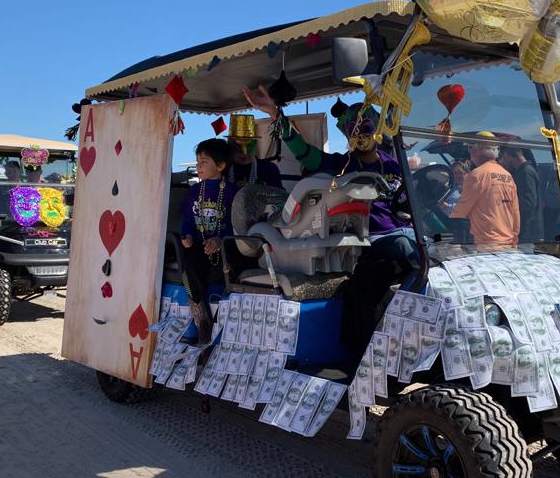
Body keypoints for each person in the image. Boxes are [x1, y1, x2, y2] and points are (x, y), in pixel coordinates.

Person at [243, 87, 415, 262]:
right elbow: (305, 154)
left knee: (434, 245)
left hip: (406, 230)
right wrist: (275, 113)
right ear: (347, 136)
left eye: (366, 128)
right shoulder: (342, 164)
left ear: (376, 130)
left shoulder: (392, 163)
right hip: (372, 238)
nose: (361, 136)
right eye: (353, 131)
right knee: (403, 246)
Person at [180, 138, 241, 343]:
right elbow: (188, 221)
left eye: (204, 162)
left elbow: (239, 225)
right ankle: (202, 320)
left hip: (226, 248)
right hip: (199, 247)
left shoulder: (234, 192)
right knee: (189, 271)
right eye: (197, 162)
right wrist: (187, 236)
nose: (198, 167)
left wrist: (220, 239)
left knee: (228, 270)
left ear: (221, 165)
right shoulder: (194, 192)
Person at [450, 132, 520, 250]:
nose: (470, 151)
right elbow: (515, 211)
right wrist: (514, 239)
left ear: (477, 150)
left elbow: (461, 211)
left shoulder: (476, 175)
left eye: (471, 147)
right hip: (509, 243)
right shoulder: (507, 175)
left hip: (486, 244)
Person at [498, 145, 543, 245]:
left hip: (527, 233)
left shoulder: (525, 172)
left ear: (507, 155)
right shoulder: (524, 171)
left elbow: (528, 203)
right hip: (527, 231)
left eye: (502, 157)